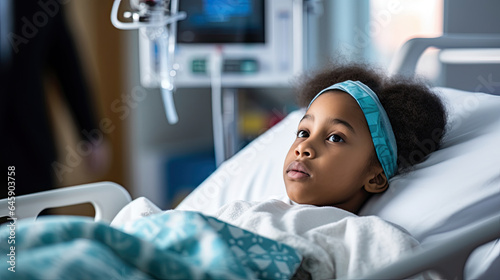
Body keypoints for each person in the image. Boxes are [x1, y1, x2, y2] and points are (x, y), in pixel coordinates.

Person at [283, 62, 447, 213]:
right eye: (304, 133)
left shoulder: (366, 237)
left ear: (375, 178)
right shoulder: (261, 211)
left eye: (335, 138)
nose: (303, 147)